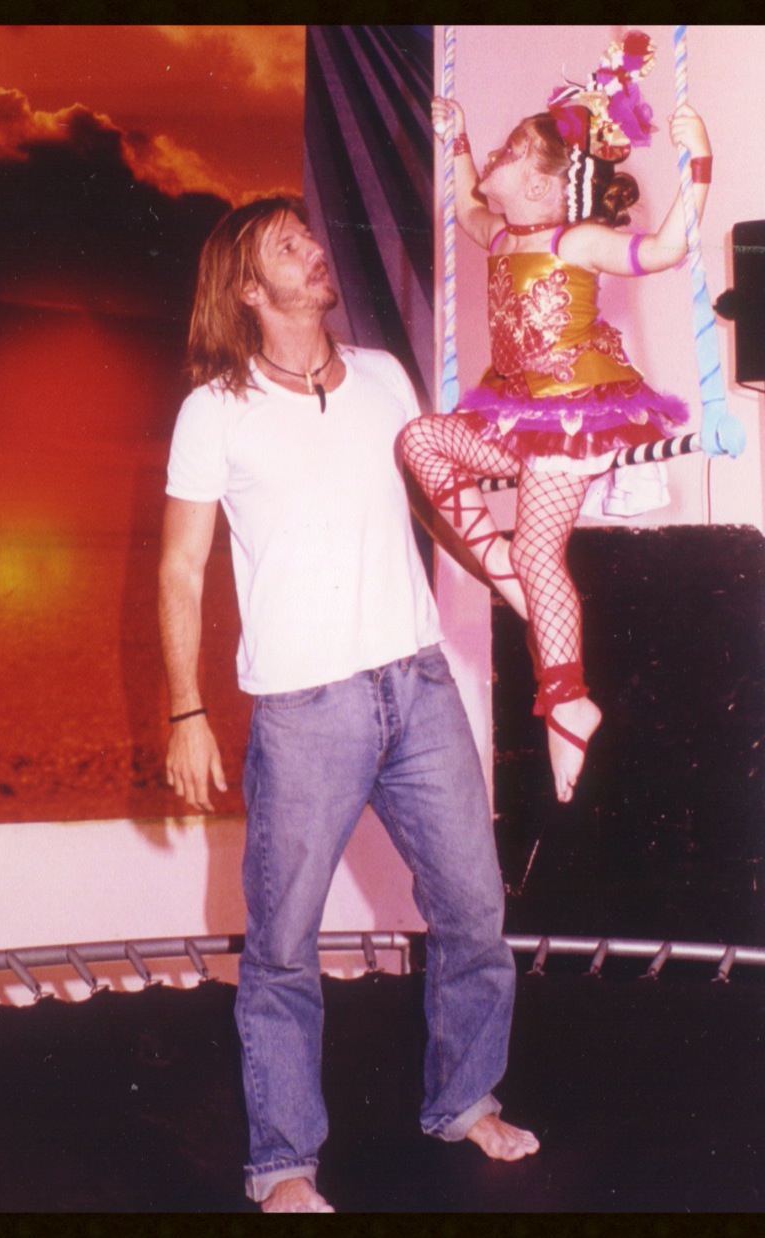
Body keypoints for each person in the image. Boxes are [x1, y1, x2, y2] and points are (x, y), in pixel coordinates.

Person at [159, 196, 538, 1212]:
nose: (317, 251)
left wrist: (519, 580)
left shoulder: (382, 379)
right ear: (249, 289)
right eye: (289, 246)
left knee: (475, 910)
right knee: (283, 948)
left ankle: (464, 1100)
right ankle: (282, 1164)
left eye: (311, 235)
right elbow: (180, 568)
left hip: (417, 685)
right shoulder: (213, 409)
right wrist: (186, 713)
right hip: (303, 710)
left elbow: (437, 504)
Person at [403, 32, 713, 804]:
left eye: (510, 151)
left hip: (574, 418)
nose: (495, 160)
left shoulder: (576, 241)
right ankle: (521, 594)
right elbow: (464, 205)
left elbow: (667, 249)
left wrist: (699, 163)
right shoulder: (502, 234)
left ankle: (568, 698)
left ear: (544, 186)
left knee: (542, 549)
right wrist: (459, 140)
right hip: (519, 418)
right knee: (421, 441)